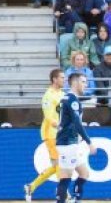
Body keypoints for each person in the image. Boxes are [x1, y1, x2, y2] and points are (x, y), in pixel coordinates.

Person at [23, 68, 67, 203]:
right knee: (60, 163)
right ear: (54, 79)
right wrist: (58, 126)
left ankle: (31, 186)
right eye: (62, 77)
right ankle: (64, 195)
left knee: (57, 165)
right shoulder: (48, 96)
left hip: (61, 133)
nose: (64, 80)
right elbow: (48, 116)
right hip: (51, 133)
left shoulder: (62, 94)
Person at [53, 71, 93, 203]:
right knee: (66, 176)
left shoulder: (65, 98)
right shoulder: (72, 100)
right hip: (67, 142)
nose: (86, 85)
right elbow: (77, 123)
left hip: (68, 141)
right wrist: (89, 142)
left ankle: (76, 200)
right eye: (83, 82)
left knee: (84, 173)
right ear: (75, 83)